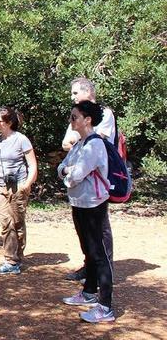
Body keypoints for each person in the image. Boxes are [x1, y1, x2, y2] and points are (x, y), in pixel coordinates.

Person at [58, 100, 115, 323]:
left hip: (93, 205)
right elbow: (61, 168)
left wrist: (69, 173)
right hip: (79, 203)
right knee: (88, 251)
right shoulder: (79, 144)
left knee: (99, 254)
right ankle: (89, 292)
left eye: (74, 117)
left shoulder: (94, 145)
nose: (71, 121)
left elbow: (76, 175)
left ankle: (106, 307)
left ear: (87, 120)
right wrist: (67, 171)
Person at [0, 106, 38, 274]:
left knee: (17, 222)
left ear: (9, 123)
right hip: (0, 185)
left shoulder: (21, 139)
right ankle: (10, 260)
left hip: (18, 186)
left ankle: (17, 256)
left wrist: (26, 185)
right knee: (6, 222)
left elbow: (32, 165)